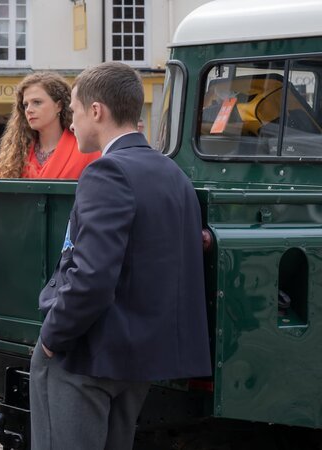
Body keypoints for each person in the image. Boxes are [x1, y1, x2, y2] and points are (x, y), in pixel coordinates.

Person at [30, 62, 211, 450]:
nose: (72, 123)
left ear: (97, 111)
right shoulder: (172, 173)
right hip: (140, 356)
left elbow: (91, 276)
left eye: (74, 112)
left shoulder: (107, 172)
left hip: (87, 354)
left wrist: (52, 336)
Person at [0, 72, 99, 179]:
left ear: (59, 106)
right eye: (25, 105)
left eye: (37, 102)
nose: (29, 110)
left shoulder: (87, 149)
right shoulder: (16, 154)